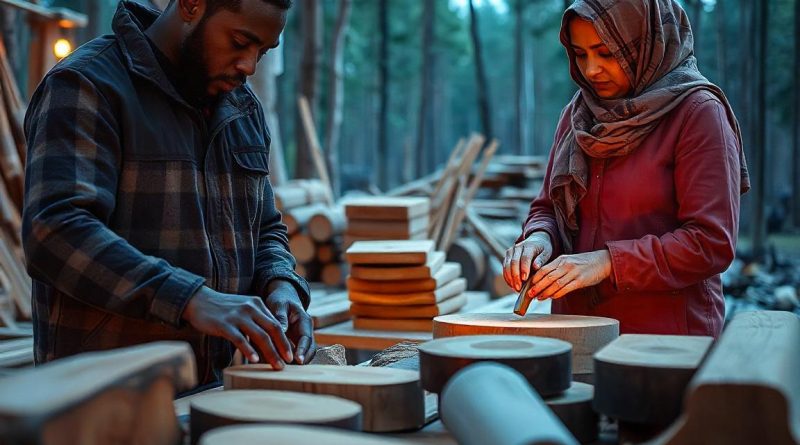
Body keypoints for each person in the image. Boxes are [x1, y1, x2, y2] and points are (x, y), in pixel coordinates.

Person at [22, 0, 315, 386]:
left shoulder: (244, 109)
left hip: (213, 386)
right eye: (240, 41)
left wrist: (280, 283)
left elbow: (265, 229)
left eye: (261, 51)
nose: (249, 66)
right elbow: (54, 234)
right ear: (192, 5)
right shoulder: (87, 85)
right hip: (98, 399)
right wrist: (190, 298)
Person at [503, 0, 749, 336]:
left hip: (665, 341)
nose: (590, 70)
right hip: (575, 332)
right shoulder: (578, 117)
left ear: (644, 42)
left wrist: (605, 262)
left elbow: (710, 243)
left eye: (605, 53)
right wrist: (540, 238)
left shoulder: (697, 114)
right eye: (580, 53)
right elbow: (548, 208)